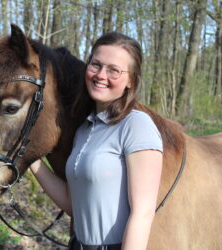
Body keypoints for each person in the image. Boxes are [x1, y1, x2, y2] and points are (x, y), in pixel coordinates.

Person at [30, 32, 163, 250]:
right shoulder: (85, 129)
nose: (101, 75)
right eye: (96, 65)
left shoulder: (136, 125)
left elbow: (143, 212)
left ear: (130, 80)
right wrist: (32, 160)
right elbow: (73, 204)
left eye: (114, 70)